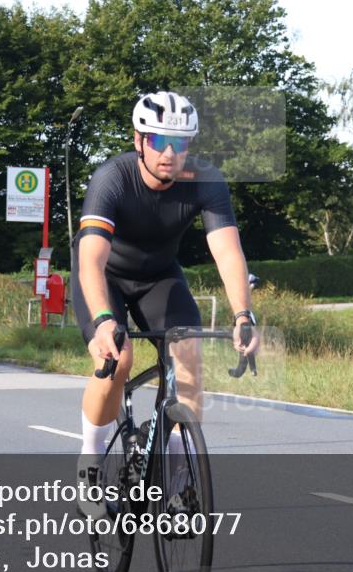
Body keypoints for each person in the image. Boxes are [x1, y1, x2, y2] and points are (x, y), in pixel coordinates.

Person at [72, 90, 259, 518]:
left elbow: (228, 252)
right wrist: (103, 322)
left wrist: (243, 315)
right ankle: (89, 461)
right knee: (118, 358)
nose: (169, 153)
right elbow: (91, 262)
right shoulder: (111, 178)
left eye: (181, 143)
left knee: (188, 356)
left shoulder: (206, 180)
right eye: (158, 141)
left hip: (159, 276)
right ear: (138, 139)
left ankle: (175, 484)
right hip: (105, 278)